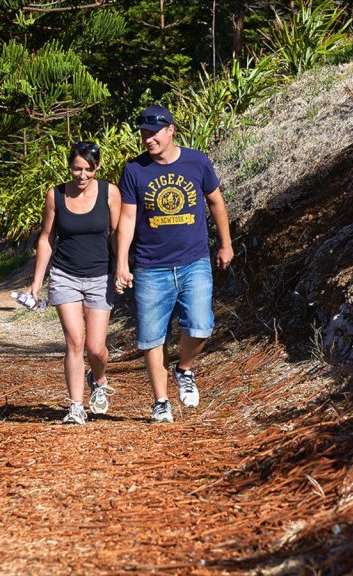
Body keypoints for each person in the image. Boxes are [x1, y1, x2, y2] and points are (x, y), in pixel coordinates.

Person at [114, 104, 233, 423]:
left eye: (153, 133)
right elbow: (127, 218)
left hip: (194, 261)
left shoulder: (197, 161)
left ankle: (184, 369)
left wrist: (225, 243)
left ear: (170, 130)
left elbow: (216, 202)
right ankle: (161, 402)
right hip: (150, 266)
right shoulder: (134, 170)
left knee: (201, 324)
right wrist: (122, 262)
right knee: (152, 337)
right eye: (143, 134)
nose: (148, 139)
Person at [27, 141, 121, 425]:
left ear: (97, 167)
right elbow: (46, 238)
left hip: (99, 276)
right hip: (64, 275)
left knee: (95, 348)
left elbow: (117, 234)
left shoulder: (109, 192)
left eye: (88, 170)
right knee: (74, 343)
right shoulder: (55, 195)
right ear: (69, 167)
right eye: (76, 169)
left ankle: (99, 378)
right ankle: (76, 407)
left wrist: (122, 268)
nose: (81, 175)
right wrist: (36, 282)